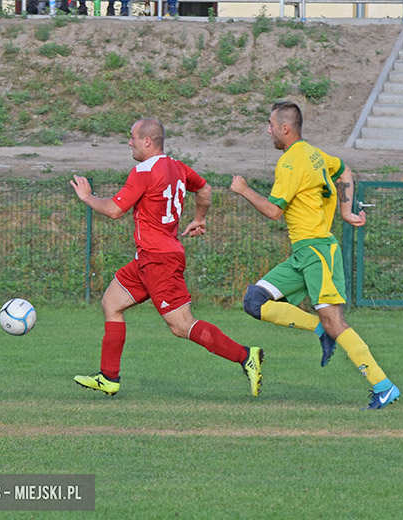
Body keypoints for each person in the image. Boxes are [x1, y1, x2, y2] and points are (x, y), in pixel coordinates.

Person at [70, 118, 263, 396]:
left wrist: (88, 197)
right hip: (148, 258)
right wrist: (199, 218)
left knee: (181, 325)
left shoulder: (143, 171)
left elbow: (114, 210)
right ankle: (108, 377)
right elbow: (205, 190)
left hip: (159, 259)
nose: (129, 142)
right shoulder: (178, 167)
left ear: (147, 141)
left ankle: (245, 355)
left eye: (132, 137)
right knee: (111, 303)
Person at [229, 101, 400, 410]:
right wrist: (346, 212)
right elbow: (345, 170)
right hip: (302, 255)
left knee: (336, 322)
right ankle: (319, 328)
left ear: (285, 128)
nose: (268, 130)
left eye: (270, 125)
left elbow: (273, 211)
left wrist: (243, 189)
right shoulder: (316, 154)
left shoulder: (291, 161)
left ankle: (383, 386)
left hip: (318, 252)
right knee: (254, 301)